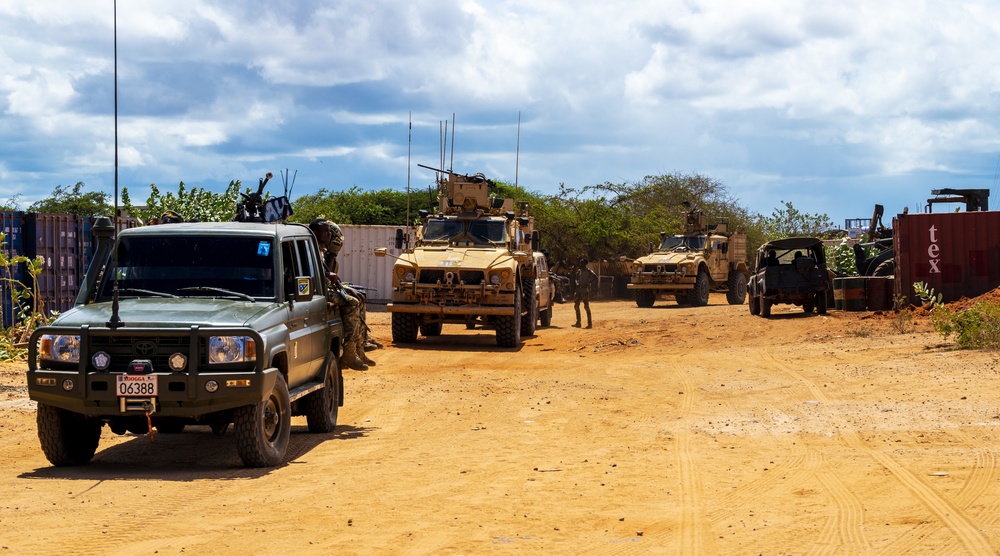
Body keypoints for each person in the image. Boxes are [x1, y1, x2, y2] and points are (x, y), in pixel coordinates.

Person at [308, 219, 373, 371]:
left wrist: (343, 287)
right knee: (352, 303)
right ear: (316, 233)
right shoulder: (312, 249)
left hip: (322, 288)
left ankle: (359, 349)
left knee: (359, 298)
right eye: (326, 231)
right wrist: (332, 255)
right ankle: (349, 352)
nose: (329, 235)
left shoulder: (319, 248)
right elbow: (322, 275)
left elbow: (328, 275)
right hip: (315, 291)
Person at [573, 257, 598, 328]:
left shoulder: (588, 271)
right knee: (576, 306)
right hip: (578, 290)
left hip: (585, 291)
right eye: (580, 262)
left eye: (582, 263)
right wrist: (577, 283)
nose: (581, 264)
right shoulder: (579, 271)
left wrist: (589, 282)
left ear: (585, 264)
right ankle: (578, 323)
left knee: (586, 307)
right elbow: (576, 279)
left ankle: (589, 324)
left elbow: (595, 277)